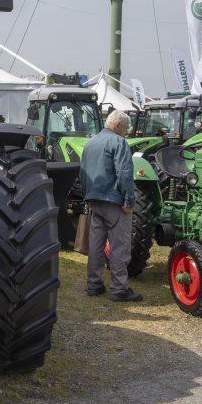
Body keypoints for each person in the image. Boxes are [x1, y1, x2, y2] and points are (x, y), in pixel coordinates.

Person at [80, 109, 143, 302]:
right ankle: (119, 289)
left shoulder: (90, 143)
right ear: (117, 126)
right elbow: (124, 173)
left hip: (94, 199)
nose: (126, 133)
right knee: (119, 247)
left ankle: (94, 285)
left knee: (96, 246)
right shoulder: (118, 142)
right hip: (114, 202)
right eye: (125, 129)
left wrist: (87, 196)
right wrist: (130, 200)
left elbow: (83, 172)